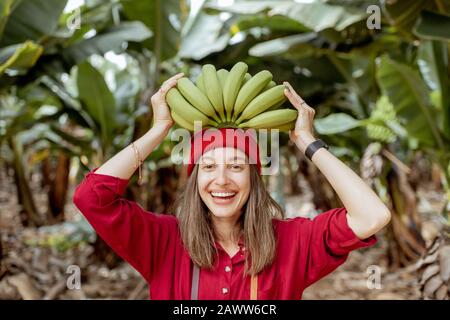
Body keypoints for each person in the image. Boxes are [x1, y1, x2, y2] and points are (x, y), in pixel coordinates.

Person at [73, 73, 391, 300]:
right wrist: (158, 130)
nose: (221, 179)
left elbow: (372, 216)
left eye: (236, 166)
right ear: (194, 179)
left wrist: (309, 143)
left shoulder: (293, 242)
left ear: (253, 179)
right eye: (208, 167)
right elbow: (90, 198)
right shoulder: (162, 242)